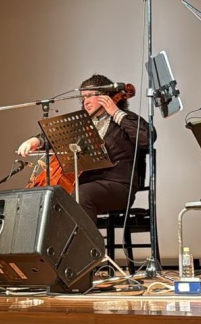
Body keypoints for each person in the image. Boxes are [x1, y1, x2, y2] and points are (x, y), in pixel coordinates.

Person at [17, 73, 154, 221]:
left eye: (89, 96)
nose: (85, 101)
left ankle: (85, 237)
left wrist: (115, 112)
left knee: (81, 195)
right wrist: (36, 141)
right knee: (51, 196)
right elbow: (59, 134)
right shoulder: (84, 123)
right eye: (83, 98)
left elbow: (147, 138)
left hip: (118, 186)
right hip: (85, 184)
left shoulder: (124, 119)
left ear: (105, 96)